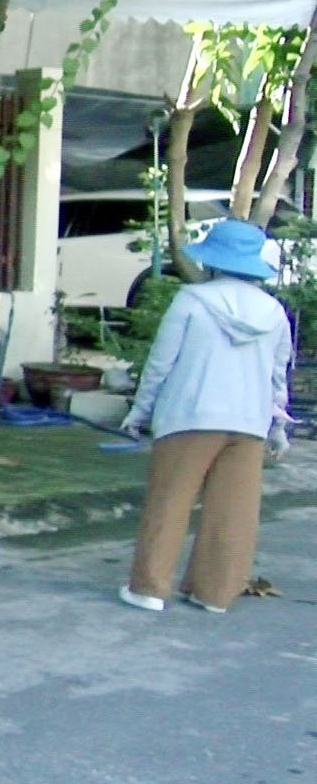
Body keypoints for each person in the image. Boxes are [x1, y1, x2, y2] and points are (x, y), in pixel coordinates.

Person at [116, 217, 292, 615]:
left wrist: (139, 412)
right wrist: (279, 426)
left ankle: (149, 589)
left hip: (189, 417)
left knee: (170, 501)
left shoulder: (191, 301)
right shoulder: (274, 312)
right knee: (234, 512)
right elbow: (277, 376)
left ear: (213, 261)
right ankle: (214, 594)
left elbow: (161, 364)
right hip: (249, 424)